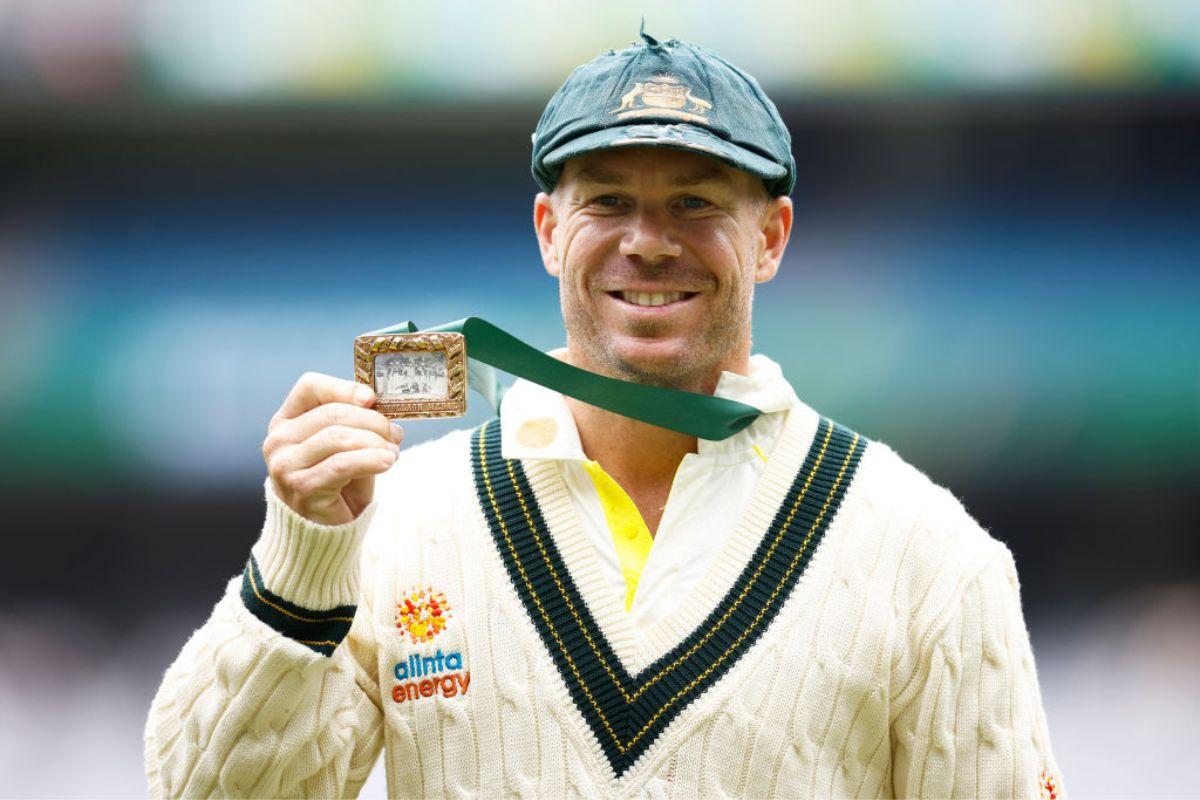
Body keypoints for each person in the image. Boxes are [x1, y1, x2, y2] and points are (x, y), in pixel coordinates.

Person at [145, 32, 1065, 799]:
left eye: (695, 202)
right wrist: (302, 564)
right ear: (550, 231)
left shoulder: (932, 558)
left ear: (772, 237)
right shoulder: (398, 526)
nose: (649, 241)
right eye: (610, 200)